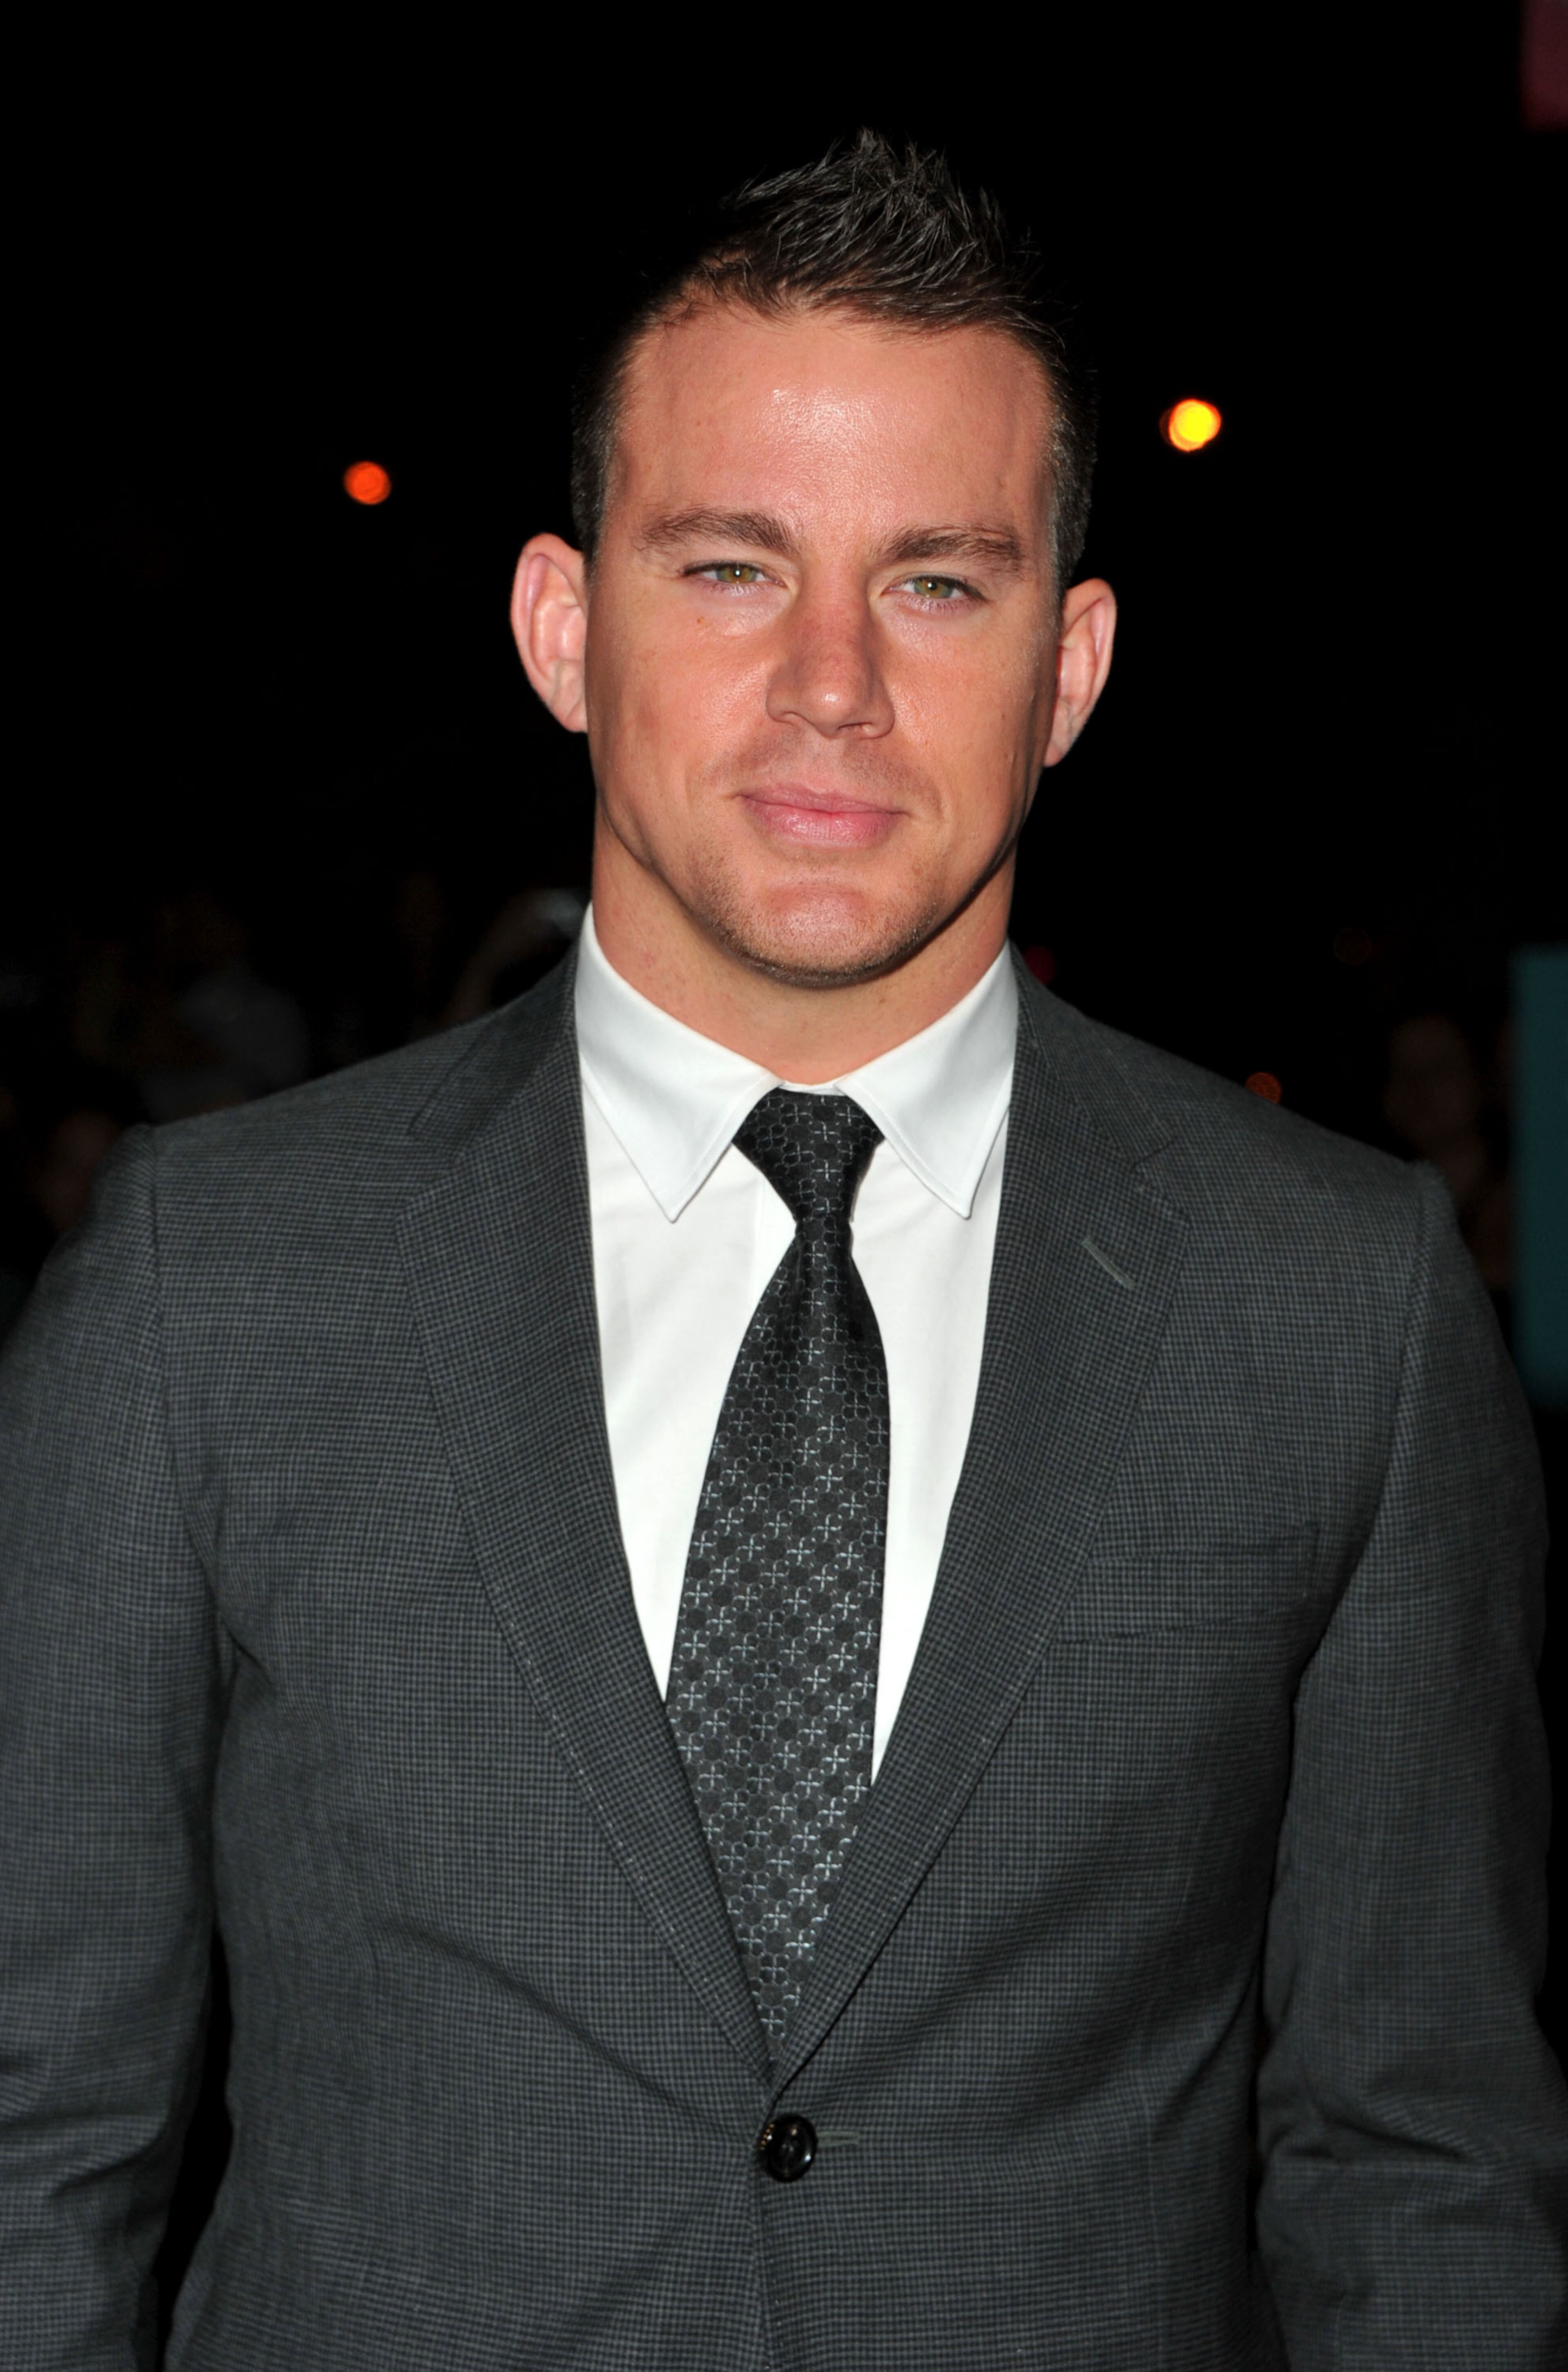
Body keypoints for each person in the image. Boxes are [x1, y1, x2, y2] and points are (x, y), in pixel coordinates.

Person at [2, 131, 1563, 2371]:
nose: (833, 681)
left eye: (937, 582)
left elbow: (1424, 2174)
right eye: (732, 567)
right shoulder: (204, 1288)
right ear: (563, 625)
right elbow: (34, 2141)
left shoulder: (1342, 1307)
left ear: (1073, 663)